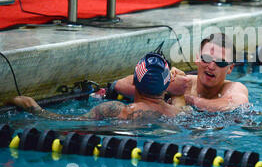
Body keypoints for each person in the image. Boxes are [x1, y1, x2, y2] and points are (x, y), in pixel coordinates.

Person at [8, 52, 191, 121]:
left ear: (134, 81)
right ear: (167, 84)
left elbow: (67, 123)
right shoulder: (182, 113)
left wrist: (33, 107)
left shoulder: (116, 110)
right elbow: (179, 100)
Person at [111, 33, 249, 111]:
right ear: (196, 58)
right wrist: (164, 83)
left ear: (230, 68)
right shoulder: (183, 83)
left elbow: (236, 105)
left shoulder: (233, 88)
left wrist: (190, 100)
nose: (211, 66)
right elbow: (118, 85)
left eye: (220, 62)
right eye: (206, 58)